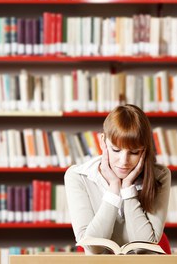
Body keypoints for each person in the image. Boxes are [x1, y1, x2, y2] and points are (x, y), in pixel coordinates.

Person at [64, 104, 171, 254]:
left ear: (145, 150)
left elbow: (144, 247)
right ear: (103, 141)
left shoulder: (160, 176)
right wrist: (114, 189)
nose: (123, 161)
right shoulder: (78, 176)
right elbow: (93, 247)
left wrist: (128, 190)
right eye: (116, 150)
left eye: (134, 152)